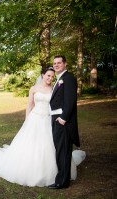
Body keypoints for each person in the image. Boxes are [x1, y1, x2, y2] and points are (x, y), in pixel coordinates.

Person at [0, 66, 58, 187]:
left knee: (48, 145)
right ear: (42, 75)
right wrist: (27, 121)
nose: (50, 78)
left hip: (47, 119)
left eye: (52, 76)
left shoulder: (53, 89)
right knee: (29, 144)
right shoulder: (34, 88)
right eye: (48, 75)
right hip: (35, 119)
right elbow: (30, 105)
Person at [48, 55, 81, 189]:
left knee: (63, 152)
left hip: (63, 122)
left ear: (65, 64)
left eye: (59, 63)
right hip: (57, 120)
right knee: (60, 151)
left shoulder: (68, 78)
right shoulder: (59, 79)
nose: (56, 65)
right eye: (54, 63)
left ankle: (61, 182)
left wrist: (63, 118)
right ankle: (62, 179)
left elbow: (70, 101)